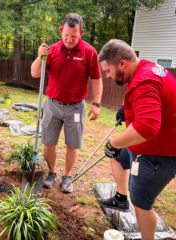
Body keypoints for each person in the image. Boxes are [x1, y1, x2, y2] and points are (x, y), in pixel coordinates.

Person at [98, 39, 176, 240]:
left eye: (108, 71)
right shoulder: (146, 68)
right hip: (144, 144)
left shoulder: (144, 81)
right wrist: (127, 107)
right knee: (117, 157)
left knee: (141, 201)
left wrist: (114, 142)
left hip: (162, 152)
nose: (107, 76)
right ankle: (121, 199)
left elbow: (148, 126)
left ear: (122, 63)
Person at [31, 13, 102, 193]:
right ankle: (52, 173)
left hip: (76, 107)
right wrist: (40, 57)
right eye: (66, 35)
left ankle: (67, 177)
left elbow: (96, 79)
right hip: (52, 105)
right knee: (48, 142)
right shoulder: (52, 50)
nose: (70, 40)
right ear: (61, 30)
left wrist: (97, 103)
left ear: (81, 33)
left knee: (73, 143)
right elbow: (35, 74)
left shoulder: (89, 52)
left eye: (74, 36)